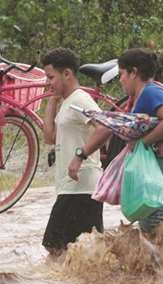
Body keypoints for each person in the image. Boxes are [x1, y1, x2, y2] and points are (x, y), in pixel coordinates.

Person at [41, 48, 112, 255]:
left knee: (57, 249)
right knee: (77, 253)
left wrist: (79, 156)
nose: (47, 83)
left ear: (67, 74)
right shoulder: (67, 102)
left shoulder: (80, 100)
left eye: (50, 77)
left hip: (81, 188)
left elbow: (105, 127)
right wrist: (52, 100)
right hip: (71, 188)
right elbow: (49, 137)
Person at [117, 48, 163, 232]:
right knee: (154, 239)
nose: (120, 80)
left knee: (154, 239)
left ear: (134, 73)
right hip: (162, 181)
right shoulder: (141, 96)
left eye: (121, 74)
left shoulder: (150, 93)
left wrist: (144, 142)